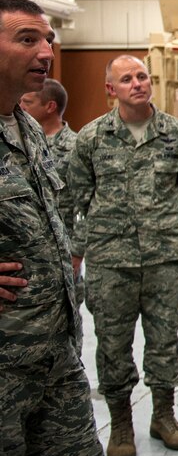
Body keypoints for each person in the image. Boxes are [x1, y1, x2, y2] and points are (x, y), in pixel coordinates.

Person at [0, 0, 111, 456]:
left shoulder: (27, 129)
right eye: (27, 39)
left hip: (55, 358)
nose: (46, 51)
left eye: (47, 39)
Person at [68, 54, 178, 456]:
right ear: (111, 89)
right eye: (126, 79)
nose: (137, 83)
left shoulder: (176, 134)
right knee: (112, 344)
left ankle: (163, 416)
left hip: (165, 259)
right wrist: (83, 248)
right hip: (111, 260)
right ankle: (121, 423)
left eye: (142, 76)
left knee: (164, 340)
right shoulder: (91, 138)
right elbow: (79, 197)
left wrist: (165, 228)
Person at [19, 78, 83, 308]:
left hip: (61, 249)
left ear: (50, 106)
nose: (21, 106)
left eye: (27, 102)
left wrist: (77, 252)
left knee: (66, 313)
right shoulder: (21, 143)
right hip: (25, 250)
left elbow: (84, 204)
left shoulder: (76, 147)